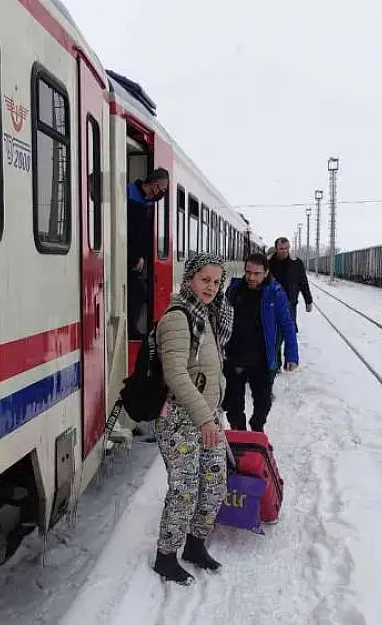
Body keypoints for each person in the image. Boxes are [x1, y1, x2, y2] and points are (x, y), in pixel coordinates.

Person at [152, 252, 234, 585]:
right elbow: (175, 373)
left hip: (207, 416)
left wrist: (216, 405)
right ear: (189, 279)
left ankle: (196, 545)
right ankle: (166, 556)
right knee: (184, 489)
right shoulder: (178, 317)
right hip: (180, 420)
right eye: (204, 280)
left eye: (216, 282)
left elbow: (211, 367)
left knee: (214, 484)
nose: (210, 287)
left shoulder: (209, 316)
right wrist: (204, 417)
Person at [222, 253, 299, 432]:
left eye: (257, 273)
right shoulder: (234, 289)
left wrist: (291, 355)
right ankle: (239, 432)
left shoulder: (275, 293)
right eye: (248, 272)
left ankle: (257, 428)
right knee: (234, 404)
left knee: (263, 402)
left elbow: (288, 325)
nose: (251, 277)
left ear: (266, 273)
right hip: (235, 357)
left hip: (263, 359)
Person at [127, 168, 169, 339]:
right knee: (138, 291)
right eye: (162, 189)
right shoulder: (128, 193)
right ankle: (130, 329)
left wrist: (142, 256)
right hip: (125, 251)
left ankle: (132, 327)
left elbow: (145, 234)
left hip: (137, 257)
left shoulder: (148, 203)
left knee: (141, 291)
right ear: (155, 184)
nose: (162, 193)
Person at [268, 237, 313, 333]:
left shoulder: (297, 263)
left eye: (286, 248)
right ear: (276, 249)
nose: (284, 251)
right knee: (274, 333)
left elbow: (303, 282)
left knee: (290, 331)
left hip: (290, 303)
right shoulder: (268, 263)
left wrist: (308, 300)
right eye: (281, 249)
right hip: (272, 303)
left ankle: (290, 347)